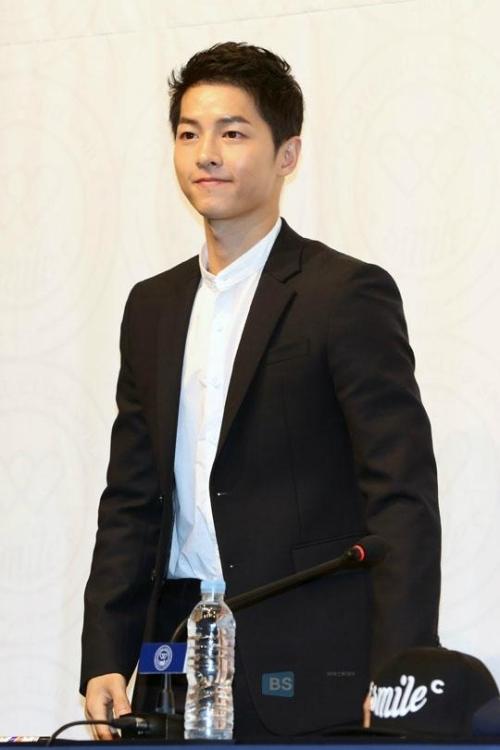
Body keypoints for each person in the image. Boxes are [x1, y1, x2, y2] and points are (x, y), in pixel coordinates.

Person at [81, 41, 441, 740]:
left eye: (233, 133)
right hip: (171, 660)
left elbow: (401, 495)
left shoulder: (344, 294)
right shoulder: (151, 307)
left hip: (315, 660)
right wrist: (105, 654)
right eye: (189, 133)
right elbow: (130, 497)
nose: (206, 154)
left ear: (287, 155)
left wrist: (399, 671)